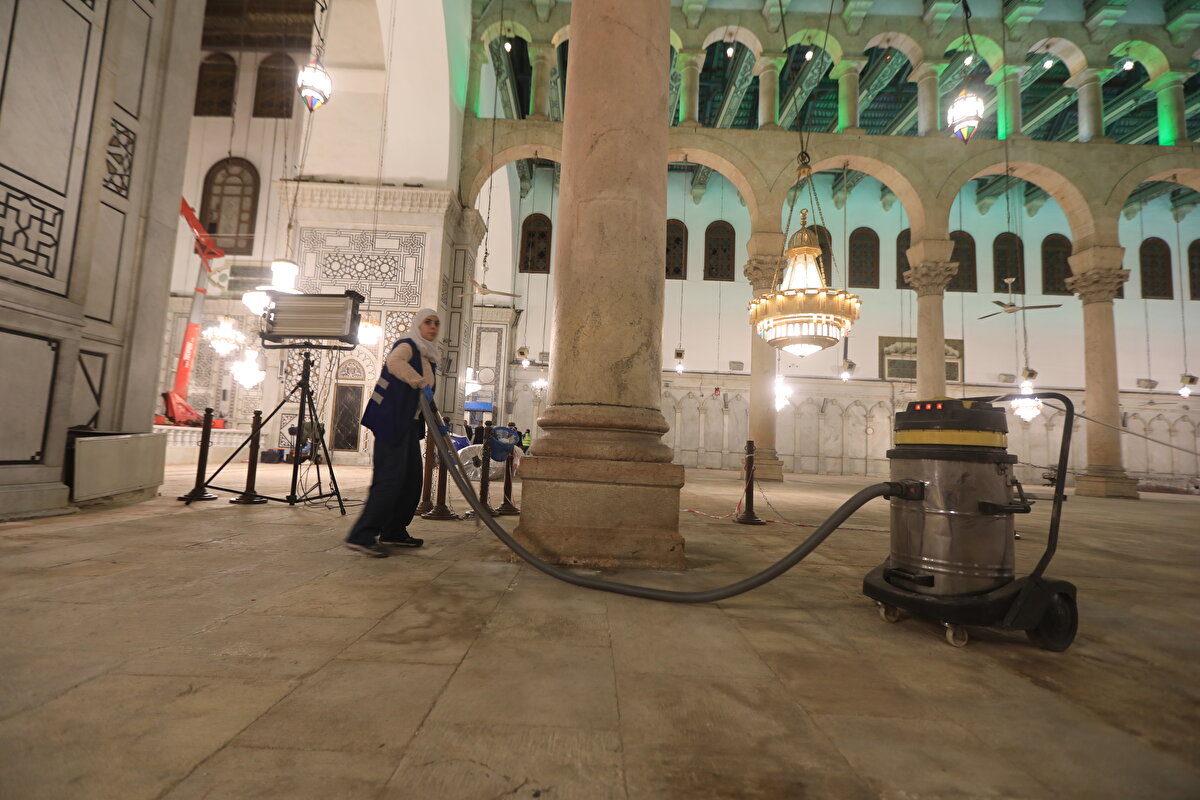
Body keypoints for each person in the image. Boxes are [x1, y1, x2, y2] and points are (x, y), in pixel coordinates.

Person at [345, 309, 441, 557]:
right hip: (391, 421)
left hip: (408, 425)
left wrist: (436, 419)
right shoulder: (407, 345)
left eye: (436, 323)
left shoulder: (428, 356)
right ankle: (362, 535)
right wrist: (418, 381)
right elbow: (394, 363)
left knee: (411, 480)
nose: (432, 327)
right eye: (427, 322)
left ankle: (394, 530)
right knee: (390, 479)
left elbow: (425, 397)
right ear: (417, 326)